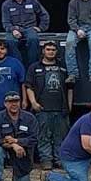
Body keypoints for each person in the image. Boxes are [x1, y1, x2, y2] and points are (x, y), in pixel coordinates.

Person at [25, 41, 72, 169]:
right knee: (43, 136)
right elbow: (28, 86)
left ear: (56, 52)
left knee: (61, 137)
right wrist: (33, 102)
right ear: (43, 51)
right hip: (42, 109)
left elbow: (70, 88)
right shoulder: (34, 67)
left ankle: (59, 159)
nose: (51, 51)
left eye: (53, 49)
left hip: (61, 109)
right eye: (48, 49)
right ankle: (46, 160)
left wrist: (69, 105)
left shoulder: (64, 68)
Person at [0, 91, 37, 181]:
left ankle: (17, 176)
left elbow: (34, 139)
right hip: (4, 151)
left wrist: (17, 141)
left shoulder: (29, 118)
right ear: (5, 104)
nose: (14, 104)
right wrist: (13, 145)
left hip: (23, 153)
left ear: (20, 102)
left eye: (16, 101)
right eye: (10, 102)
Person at [1, 0, 50, 68]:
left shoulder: (32, 1)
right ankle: (18, 66)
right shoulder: (6, 5)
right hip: (14, 29)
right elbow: (6, 22)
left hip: (30, 28)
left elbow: (44, 15)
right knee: (10, 41)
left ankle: (33, 67)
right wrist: (13, 30)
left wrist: (41, 28)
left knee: (33, 39)